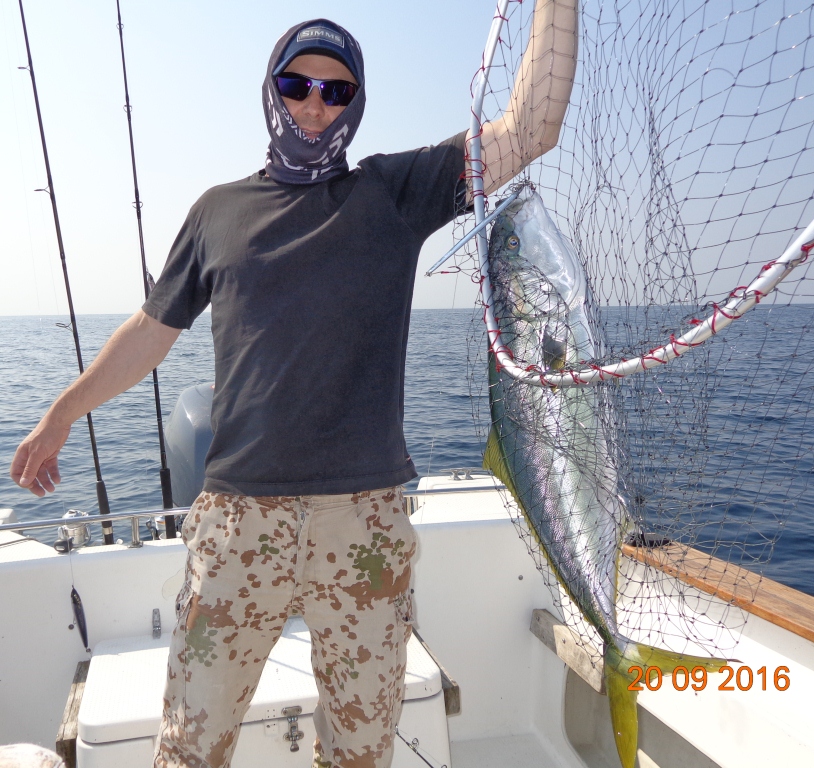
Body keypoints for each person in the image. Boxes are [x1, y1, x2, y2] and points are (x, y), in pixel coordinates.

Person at [11, 5, 576, 767]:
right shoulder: (217, 212)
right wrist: (60, 414)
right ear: (271, 90)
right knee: (188, 746)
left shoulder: (394, 192)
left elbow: (531, 128)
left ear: (357, 103)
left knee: (361, 750)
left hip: (363, 521)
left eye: (337, 91)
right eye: (297, 84)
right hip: (237, 523)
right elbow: (149, 331)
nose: (315, 104)